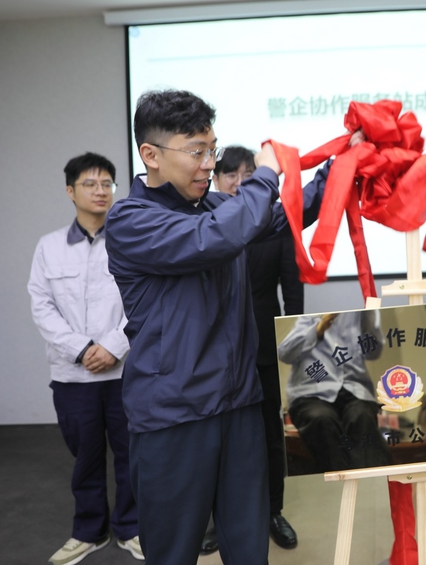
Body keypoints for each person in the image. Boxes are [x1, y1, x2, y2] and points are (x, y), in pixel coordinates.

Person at [104, 89, 330, 565]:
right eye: (196, 152)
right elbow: (213, 238)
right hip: (174, 416)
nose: (209, 164)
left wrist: (340, 168)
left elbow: (287, 213)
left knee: (249, 549)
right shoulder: (131, 219)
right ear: (151, 155)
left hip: (239, 406)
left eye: (212, 149)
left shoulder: (214, 209)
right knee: (173, 553)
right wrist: (264, 175)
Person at [27, 152, 142, 565]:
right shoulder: (50, 246)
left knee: (132, 455)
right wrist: (80, 348)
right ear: (70, 191)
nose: (100, 191)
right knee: (86, 458)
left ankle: (131, 528)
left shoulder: (130, 241)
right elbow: (41, 305)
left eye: (107, 183)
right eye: (90, 184)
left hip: (124, 372)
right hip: (72, 375)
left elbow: (143, 300)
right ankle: (89, 532)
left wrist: (113, 346)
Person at [199, 146, 302, 552]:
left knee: (270, 434)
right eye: (231, 175)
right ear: (216, 180)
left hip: (265, 347)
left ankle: (274, 510)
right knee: (217, 438)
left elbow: (292, 290)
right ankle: (219, 520)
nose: (240, 183)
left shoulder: (273, 223)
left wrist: (293, 344)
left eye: (249, 174)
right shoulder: (205, 224)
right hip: (217, 353)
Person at [277, 311, 392, 471]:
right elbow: (284, 353)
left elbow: (373, 353)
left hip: (354, 390)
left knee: (362, 417)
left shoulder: (362, 313)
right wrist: (318, 329)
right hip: (311, 393)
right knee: (322, 419)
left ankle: (371, 483)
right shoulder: (310, 314)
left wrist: (368, 315)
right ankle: (342, 482)